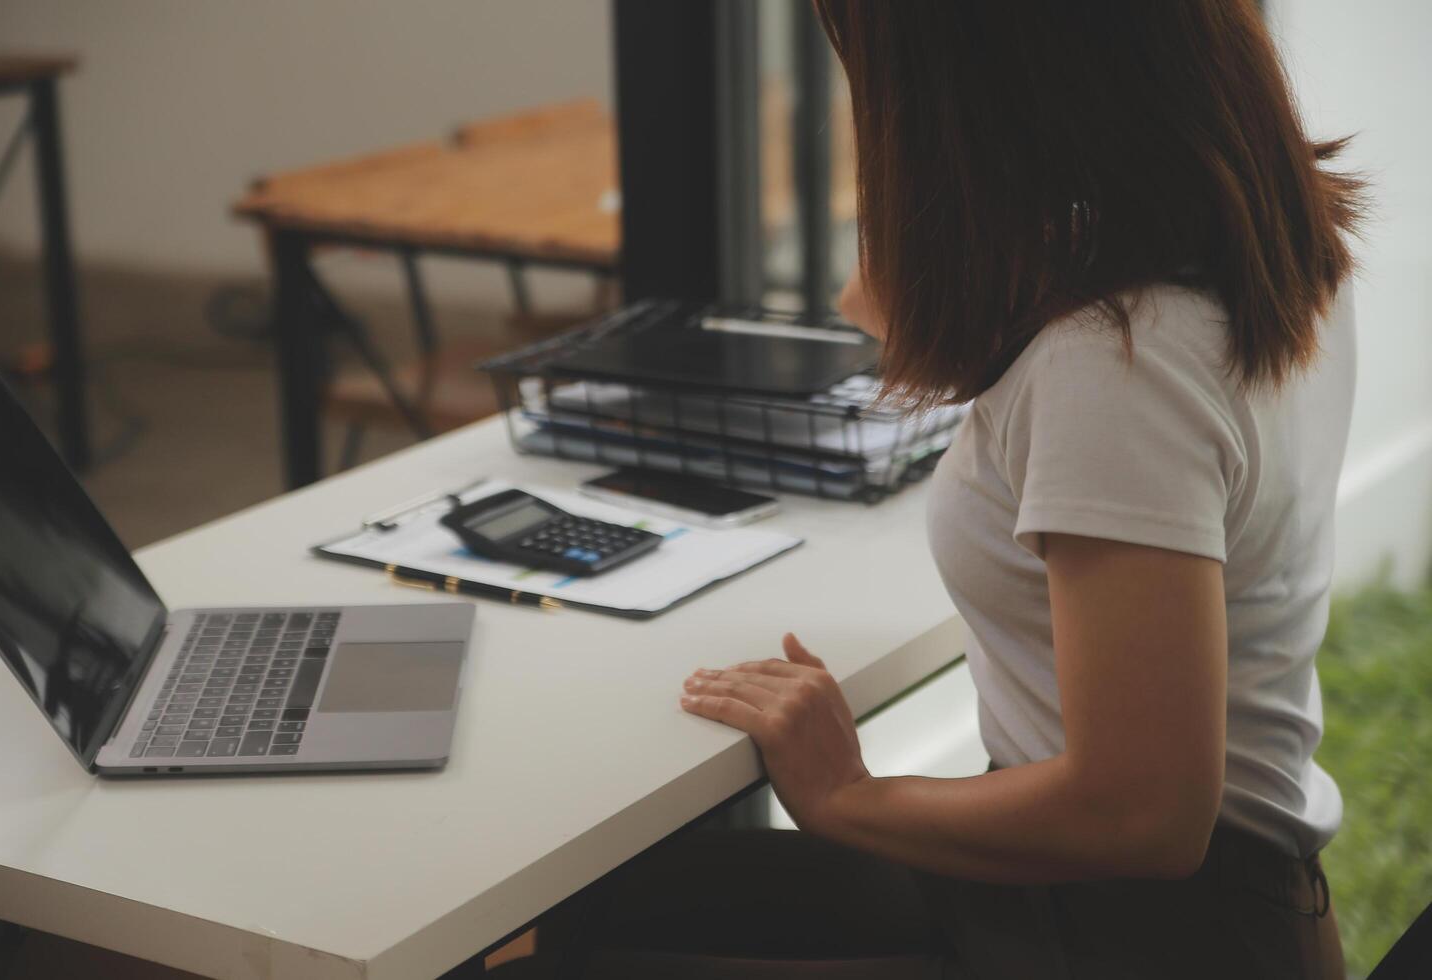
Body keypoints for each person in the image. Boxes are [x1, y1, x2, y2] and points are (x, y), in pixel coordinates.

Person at [550, 2, 1364, 978]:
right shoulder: (1258, 261)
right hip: (1192, 907)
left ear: (978, 103)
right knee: (600, 911)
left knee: (571, 949)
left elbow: (1141, 814)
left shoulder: (1119, 363)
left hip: (1135, 931)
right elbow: (887, 309)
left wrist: (849, 794)